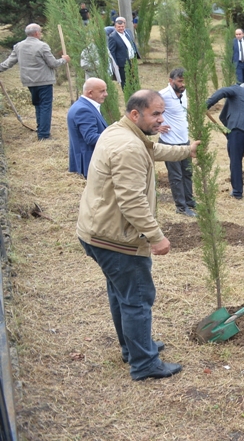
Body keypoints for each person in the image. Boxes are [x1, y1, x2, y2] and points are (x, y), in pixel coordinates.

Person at [77, 90, 198, 380]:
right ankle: (144, 364)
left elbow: (153, 151)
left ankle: (133, 348)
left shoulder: (120, 132)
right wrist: (156, 237)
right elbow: (131, 200)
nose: (161, 119)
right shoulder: (128, 147)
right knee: (137, 297)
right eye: (155, 114)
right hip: (115, 238)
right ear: (136, 114)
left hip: (95, 230)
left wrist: (186, 150)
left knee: (122, 294)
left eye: (162, 112)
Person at [0, 23, 71, 140]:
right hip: (44, 81)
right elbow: (53, 64)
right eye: (41, 32)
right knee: (45, 106)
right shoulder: (42, 46)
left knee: (38, 105)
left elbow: (7, 63)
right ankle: (43, 135)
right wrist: (64, 60)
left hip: (29, 82)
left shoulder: (19, 46)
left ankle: (41, 129)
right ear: (37, 33)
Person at [206, 83, 244, 199]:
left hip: (238, 129)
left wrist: (206, 104)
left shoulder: (237, 89)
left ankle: (237, 192)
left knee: (236, 161)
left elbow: (223, 91)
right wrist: (229, 132)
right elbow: (224, 116)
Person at [156, 69, 197, 217]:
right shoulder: (163, 95)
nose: (183, 84)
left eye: (184, 81)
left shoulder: (184, 92)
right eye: (180, 81)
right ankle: (181, 207)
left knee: (187, 173)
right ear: (170, 80)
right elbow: (146, 110)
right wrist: (157, 126)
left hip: (185, 141)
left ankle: (190, 201)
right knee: (176, 176)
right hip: (169, 143)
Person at [67, 78, 109, 177]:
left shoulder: (84, 105)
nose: (106, 94)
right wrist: (115, 135)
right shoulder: (84, 110)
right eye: (102, 91)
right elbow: (91, 138)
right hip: (91, 161)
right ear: (90, 93)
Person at [106, 17, 139, 89]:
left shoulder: (126, 33)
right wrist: (115, 64)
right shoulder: (113, 37)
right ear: (115, 27)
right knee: (125, 81)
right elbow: (112, 52)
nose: (121, 28)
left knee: (133, 79)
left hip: (131, 61)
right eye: (119, 27)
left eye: (122, 26)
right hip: (122, 63)